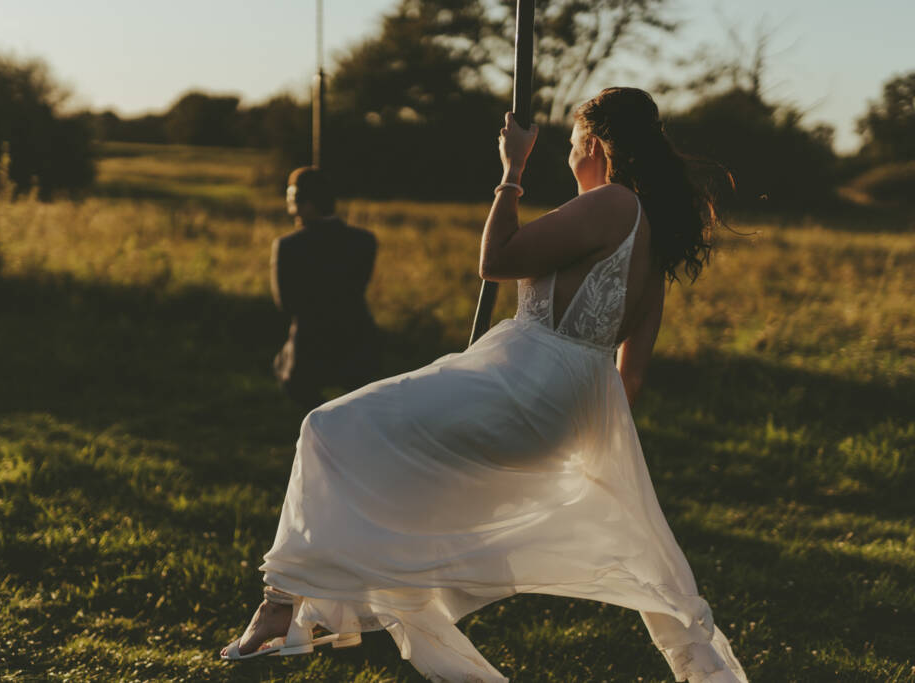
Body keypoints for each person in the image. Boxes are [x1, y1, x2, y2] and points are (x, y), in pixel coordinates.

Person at [222, 88, 748, 683]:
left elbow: (495, 259)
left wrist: (512, 171)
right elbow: (632, 374)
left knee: (326, 429)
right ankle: (320, 604)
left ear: (595, 147)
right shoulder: (650, 233)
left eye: (574, 146)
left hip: (526, 379)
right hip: (564, 403)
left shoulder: (612, 203)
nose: (570, 159)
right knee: (394, 476)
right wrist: (583, 439)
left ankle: (282, 609)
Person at [270, 167, 379, 409]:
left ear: (307, 204)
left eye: (291, 200)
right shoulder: (365, 240)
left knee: (288, 375)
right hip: (358, 340)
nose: (289, 208)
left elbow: (286, 305)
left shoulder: (288, 246)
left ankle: (321, 416)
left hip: (309, 344)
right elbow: (358, 286)